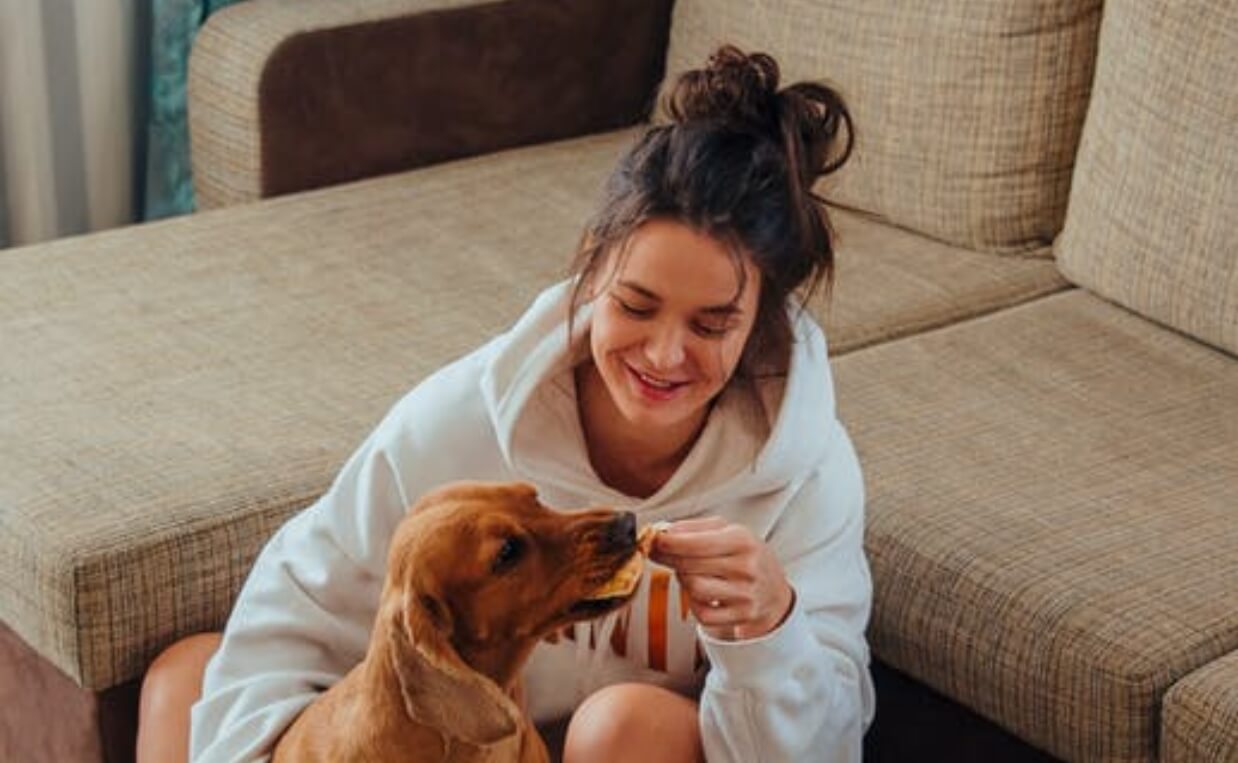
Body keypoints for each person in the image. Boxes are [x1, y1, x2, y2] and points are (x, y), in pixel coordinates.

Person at [137, 45, 874, 763]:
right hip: (454, 743)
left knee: (624, 728)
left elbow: (830, 747)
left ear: (761, 322)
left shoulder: (806, 475)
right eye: (636, 305)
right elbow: (296, 610)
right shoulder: (462, 421)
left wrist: (770, 633)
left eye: (711, 325)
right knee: (187, 679)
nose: (663, 355)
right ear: (592, 264)